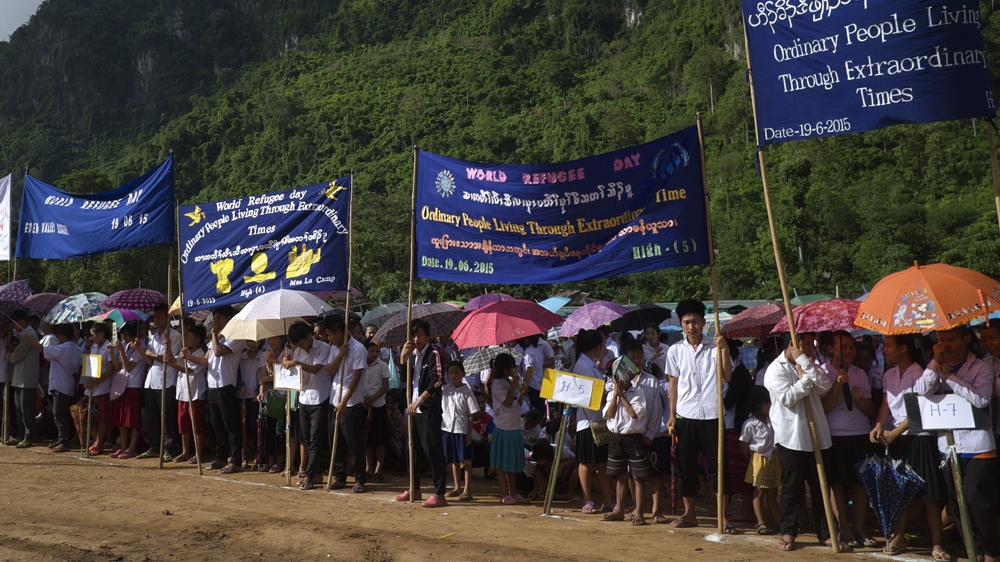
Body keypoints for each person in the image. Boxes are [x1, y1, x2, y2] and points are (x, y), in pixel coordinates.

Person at [914, 327, 999, 562]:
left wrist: (950, 377)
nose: (947, 345)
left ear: (966, 340)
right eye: (942, 341)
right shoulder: (935, 364)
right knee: (956, 501)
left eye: (952, 340)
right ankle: (974, 550)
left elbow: (981, 399)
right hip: (948, 445)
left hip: (977, 445)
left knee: (977, 499)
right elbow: (920, 391)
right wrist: (935, 365)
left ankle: (992, 551)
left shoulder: (981, 367)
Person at [870, 334, 946, 558]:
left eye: (889, 345)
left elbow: (918, 408)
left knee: (929, 492)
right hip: (896, 437)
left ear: (904, 348)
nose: (884, 350)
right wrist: (879, 425)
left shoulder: (919, 373)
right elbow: (886, 403)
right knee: (900, 489)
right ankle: (899, 536)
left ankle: (937, 542)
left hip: (920, 435)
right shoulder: (889, 374)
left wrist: (894, 432)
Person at [665, 299, 733, 531]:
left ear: (704, 323)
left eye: (695, 321)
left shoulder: (716, 346)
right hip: (685, 415)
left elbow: (727, 377)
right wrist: (672, 415)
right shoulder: (675, 351)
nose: (691, 326)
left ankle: (722, 517)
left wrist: (724, 349)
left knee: (719, 468)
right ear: (681, 324)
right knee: (685, 468)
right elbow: (673, 385)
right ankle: (689, 513)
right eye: (687, 322)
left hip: (714, 416)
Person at [764, 333, 835, 551]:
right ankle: (788, 531)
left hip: (817, 436)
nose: (810, 349)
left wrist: (804, 362)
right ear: (792, 344)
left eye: (811, 345)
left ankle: (827, 532)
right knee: (792, 488)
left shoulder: (810, 363)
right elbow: (787, 398)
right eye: (805, 345)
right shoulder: (775, 369)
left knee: (821, 486)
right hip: (791, 436)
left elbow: (824, 386)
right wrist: (805, 379)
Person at [819, 331, 875, 548]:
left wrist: (860, 399)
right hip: (834, 434)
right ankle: (844, 527)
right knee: (838, 483)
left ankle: (860, 526)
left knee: (860, 483)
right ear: (831, 349)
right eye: (843, 347)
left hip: (859, 433)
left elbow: (870, 410)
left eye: (851, 346)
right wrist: (836, 385)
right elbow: (824, 408)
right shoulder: (822, 372)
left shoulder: (860, 373)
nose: (849, 351)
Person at [395, 319, 449, 507]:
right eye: (413, 335)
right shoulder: (412, 354)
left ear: (427, 336)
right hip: (413, 410)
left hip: (428, 410)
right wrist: (403, 359)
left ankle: (440, 493)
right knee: (413, 450)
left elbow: (438, 380)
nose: (416, 338)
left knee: (432, 450)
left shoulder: (433, 353)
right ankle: (414, 488)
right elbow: (404, 379)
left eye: (420, 335)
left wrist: (420, 400)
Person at [282, 321, 331, 490]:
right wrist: (289, 365)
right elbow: (298, 375)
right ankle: (315, 473)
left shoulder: (324, 347)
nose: (301, 346)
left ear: (308, 337)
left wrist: (296, 363)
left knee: (316, 439)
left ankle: (309, 475)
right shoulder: (297, 351)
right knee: (307, 439)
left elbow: (316, 369)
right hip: (303, 398)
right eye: (298, 344)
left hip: (320, 396)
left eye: (302, 342)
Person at [602, 353, 650, 525]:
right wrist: (616, 394)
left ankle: (639, 511)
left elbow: (634, 413)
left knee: (638, 476)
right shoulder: (611, 394)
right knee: (619, 475)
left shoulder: (638, 392)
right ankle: (619, 509)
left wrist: (622, 395)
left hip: (633, 437)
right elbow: (609, 413)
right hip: (616, 438)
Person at [571, 329, 614, 513]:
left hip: (597, 421)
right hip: (587, 423)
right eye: (602, 345)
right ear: (596, 346)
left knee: (602, 463)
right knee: (587, 463)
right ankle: (587, 500)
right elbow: (596, 396)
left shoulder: (589, 364)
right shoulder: (583, 366)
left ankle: (608, 501)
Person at [324, 316, 369, 492]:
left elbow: (356, 378)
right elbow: (328, 371)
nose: (328, 338)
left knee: (354, 442)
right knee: (335, 441)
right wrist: (339, 356)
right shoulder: (334, 348)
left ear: (339, 333)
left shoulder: (359, 349)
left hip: (351, 403)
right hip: (333, 399)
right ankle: (340, 476)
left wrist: (344, 401)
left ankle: (359, 478)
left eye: (330, 335)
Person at [25, 324, 82, 453]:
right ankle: (62, 438)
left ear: (61, 336)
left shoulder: (62, 348)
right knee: (61, 413)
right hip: (68, 383)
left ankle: (64, 441)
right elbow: (79, 367)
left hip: (61, 385)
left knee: (59, 414)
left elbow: (41, 349)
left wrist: (29, 339)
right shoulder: (77, 349)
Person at [204, 306, 245, 473]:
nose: (216, 322)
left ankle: (236, 460)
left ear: (229, 319)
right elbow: (205, 361)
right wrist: (186, 357)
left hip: (226, 385)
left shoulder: (236, 338)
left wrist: (213, 334)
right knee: (217, 425)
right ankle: (221, 457)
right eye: (215, 319)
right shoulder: (218, 339)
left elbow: (219, 352)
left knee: (231, 426)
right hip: (212, 386)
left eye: (220, 318)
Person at [142, 304, 181, 461]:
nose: (156, 319)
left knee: (168, 416)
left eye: (160, 316)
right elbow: (150, 361)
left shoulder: (174, 336)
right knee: (152, 415)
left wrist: (151, 353)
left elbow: (168, 360)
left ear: (167, 317)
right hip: (151, 379)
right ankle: (154, 446)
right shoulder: (153, 336)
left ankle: (169, 447)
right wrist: (141, 350)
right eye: (155, 316)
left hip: (167, 379)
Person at [487, 352, 528, 504]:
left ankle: (514, 492)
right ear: (505, 368)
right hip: (503, 426)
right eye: (511, 367)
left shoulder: (510, 381)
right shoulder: (497, 383)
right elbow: (508, 402)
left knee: (512, 463)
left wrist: (521, 391)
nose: (513, 370)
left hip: (514, 425)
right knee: (502, 463)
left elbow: (517, 402)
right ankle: (504, 493)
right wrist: (513, 385)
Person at [740, 386, 780, 535]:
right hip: (759, 459)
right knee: (759, 491)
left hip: (772, 459)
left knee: (772, 492)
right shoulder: (750, 424)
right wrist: (751, 458)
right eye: (769, 404)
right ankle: (761, 521)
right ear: (762, 404)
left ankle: (777, 520)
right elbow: (743, 443)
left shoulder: (771, 420)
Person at [167, 325, 207, 464]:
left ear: (197, 340)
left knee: (197, 425)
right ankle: (185, 451)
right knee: (183, 424)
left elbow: (189, 370)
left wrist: (174, 365)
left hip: (195, 393)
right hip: (182, 393)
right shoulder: (185, 352)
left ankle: (198, 452)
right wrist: (169, 346)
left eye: (189, 337)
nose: (187, 340)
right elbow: (173, 360)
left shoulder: (201, 354)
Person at [441, 360, 481, 501]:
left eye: (457, 372)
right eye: (450, 373)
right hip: (447, 429)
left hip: (461, 429)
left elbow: (471, 415)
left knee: (466, 461)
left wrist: (469, 434)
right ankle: (457, 487)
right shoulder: (445, 390)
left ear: (463, 373)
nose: (453, 375)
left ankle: (467, 490)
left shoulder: (467, 391)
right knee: (454, 460)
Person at [111, 322, 148, 459]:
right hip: (123, 385)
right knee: (122, 419)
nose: (124, 337)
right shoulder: (127, 346)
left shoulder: (140, 347)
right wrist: (112, 353)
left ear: (134, 335)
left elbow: (128, 367)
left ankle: (131, 448)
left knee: (133, 420)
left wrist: (120, 350)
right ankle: (123, 447)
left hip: (134, 385)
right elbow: (118, 367)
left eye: (126, 334)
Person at [7, 311, 40, 448]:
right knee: (18, 408)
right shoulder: (23, 335)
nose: (14, 328)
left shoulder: (30, 334)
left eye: (15, 324)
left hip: (27, 377)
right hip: (19, 377)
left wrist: (9, 355)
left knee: (26, 409)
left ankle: (28, 435)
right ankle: (20, 434)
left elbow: (17, 355)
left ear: (21, 322)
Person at [84, 323, 118, 455]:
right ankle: (95, 440)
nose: (92, 337)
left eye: (93, 334)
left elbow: (110, 370)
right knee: (89, 415)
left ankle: (99, 443)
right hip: (91, 386)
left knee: (102, 417)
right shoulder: (93, 345)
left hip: (103, 387)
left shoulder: (109, 347)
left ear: (101, 334)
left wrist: (96, 382)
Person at [363, 338, 391, 483]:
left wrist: (373, 398)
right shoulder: (361, 363)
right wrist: (364, 398)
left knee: (380, 439)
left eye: (377, 351)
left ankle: (378, 468)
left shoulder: (382, 365)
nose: (374, 354)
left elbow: (385, 386)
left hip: (378, 404)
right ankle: (368, 467)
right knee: (367, 439)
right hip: (364, 404)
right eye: (371, 351)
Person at [239, 339, 265, 469]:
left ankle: (257, 455)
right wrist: (240, 385)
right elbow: (237, 373)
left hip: (256, 397)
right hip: (242, 396)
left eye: (256, 341)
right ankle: (243, 455)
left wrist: (257, 390)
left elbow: (263, 375)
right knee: (242, 428)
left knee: (255, 428)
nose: (253, 344)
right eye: (250, 341)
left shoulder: (263, 355)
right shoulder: (241, 356)